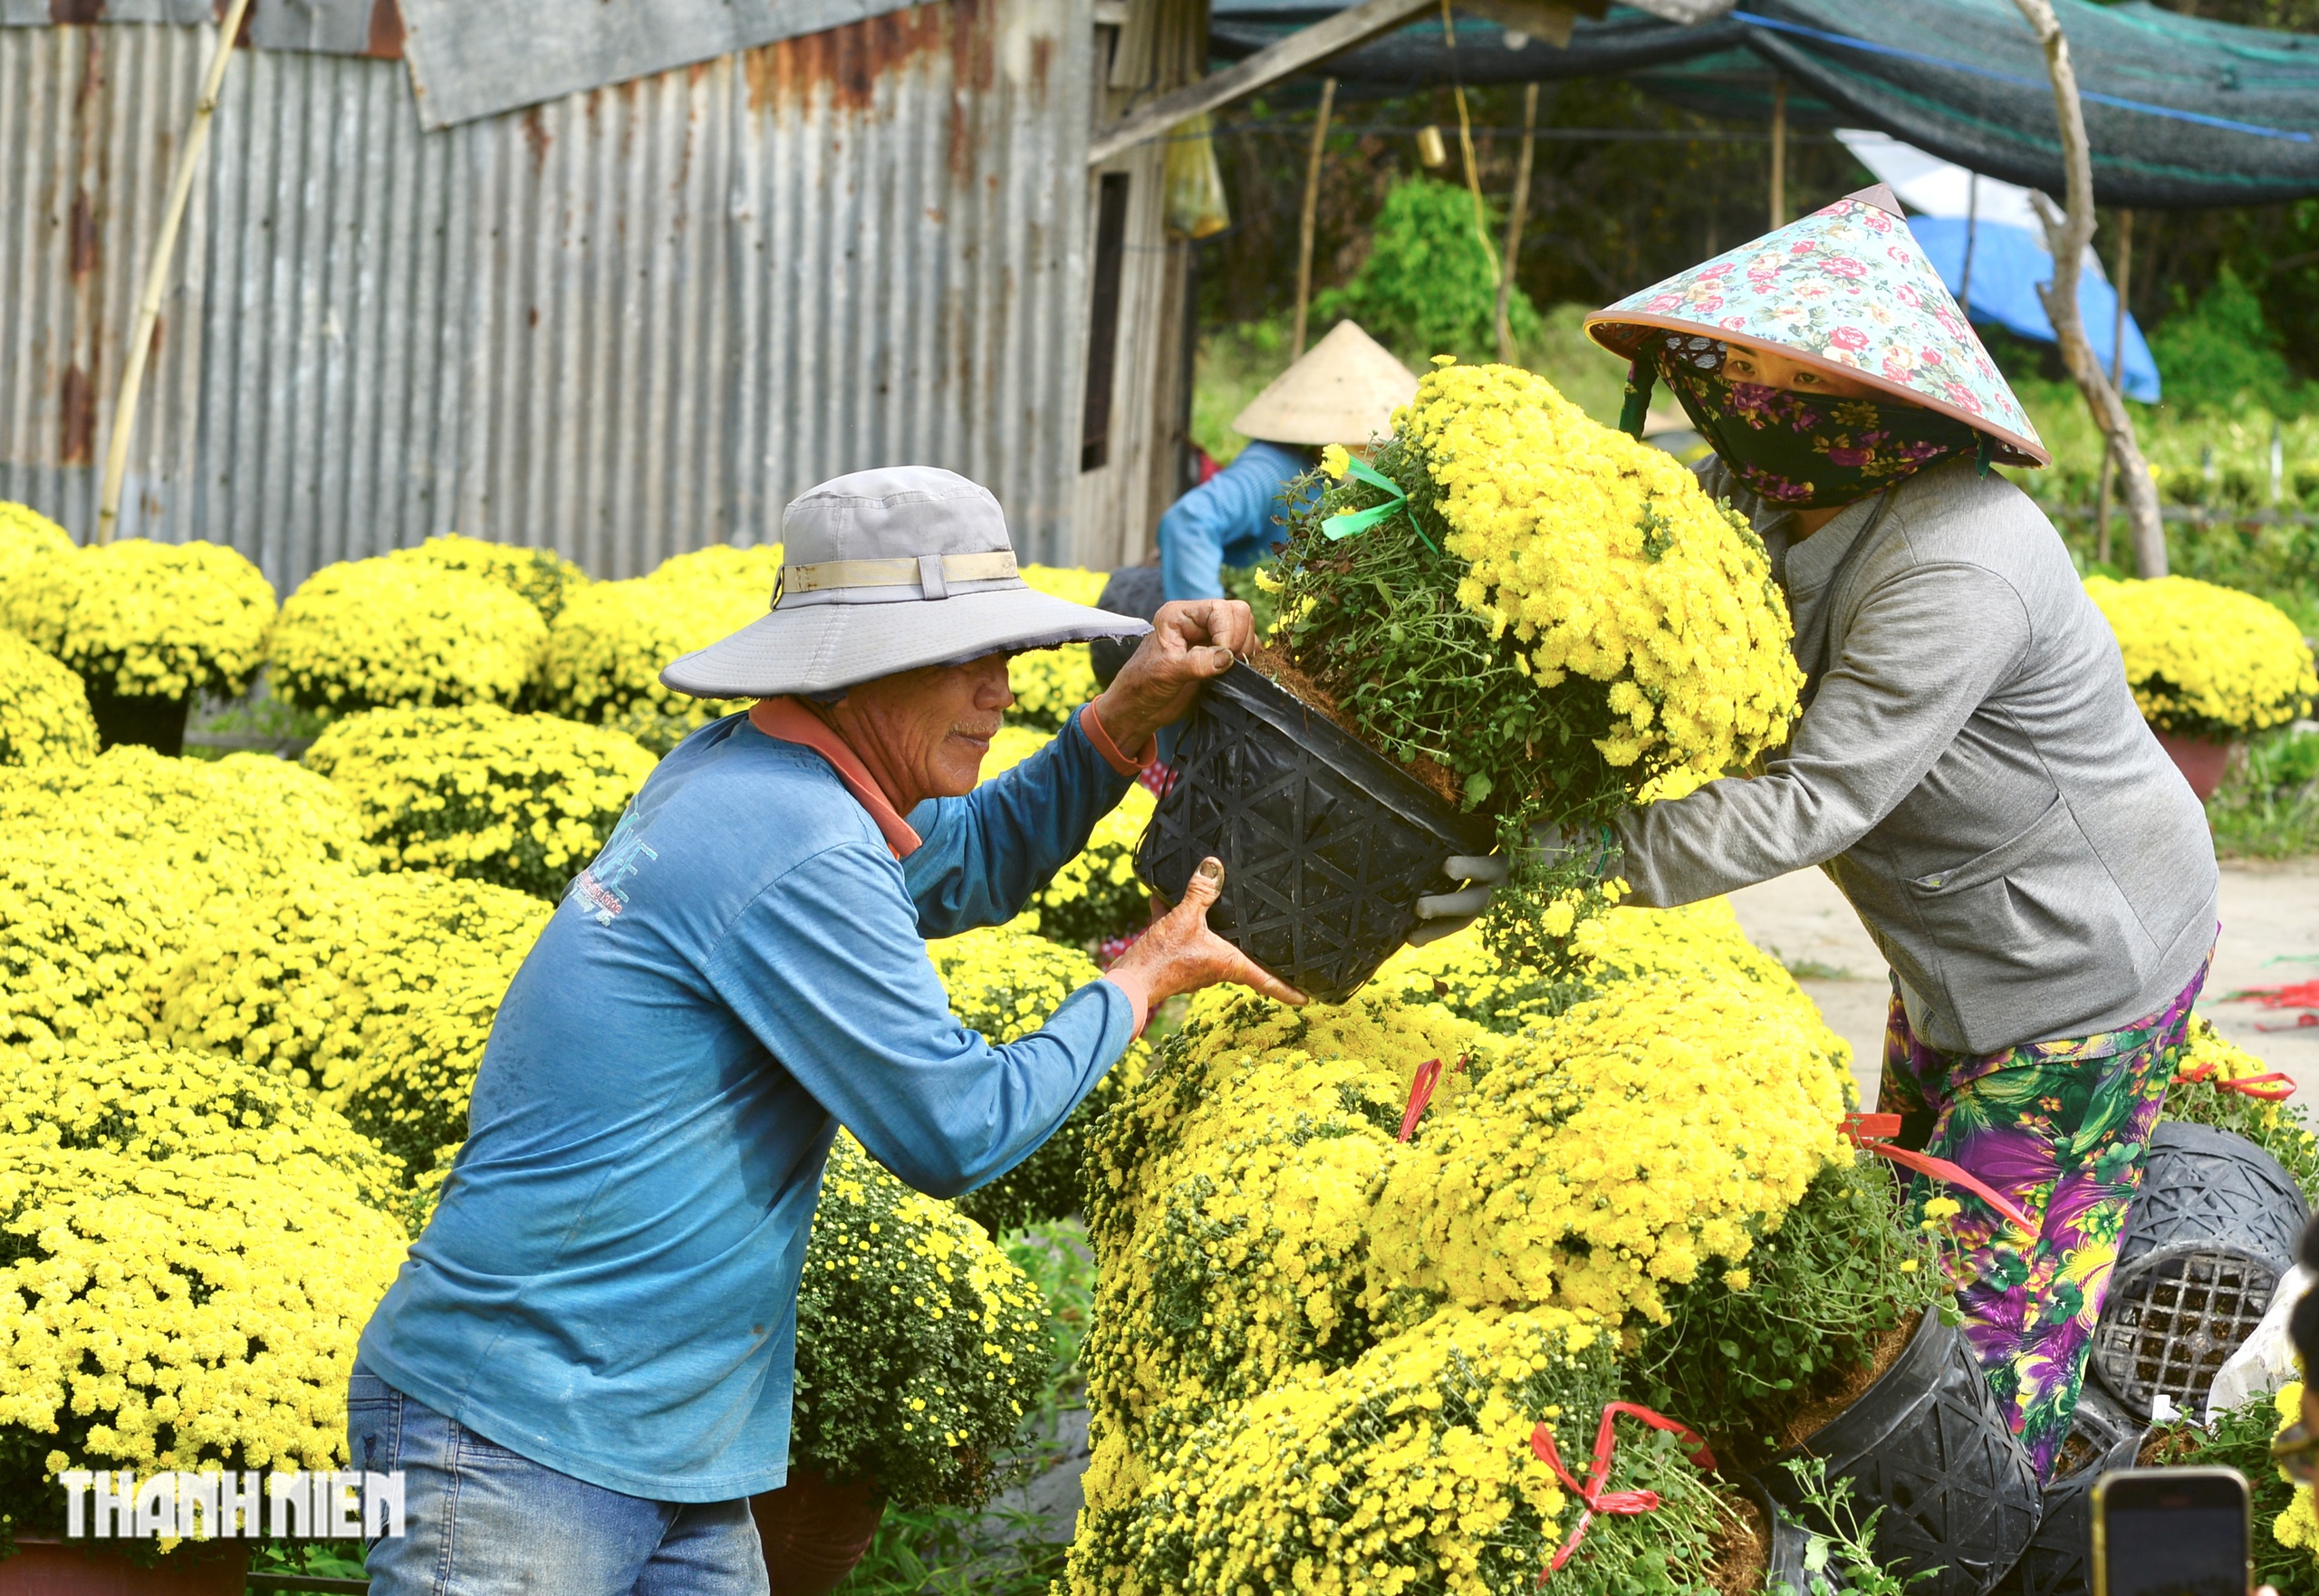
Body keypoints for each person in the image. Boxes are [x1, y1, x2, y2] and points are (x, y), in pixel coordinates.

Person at [347, 466, 1301, 1593]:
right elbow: (954, 1127)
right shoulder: (792, 839)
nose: (1000, 690)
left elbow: (977, 854)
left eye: (1010, 658)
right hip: (522, 1438)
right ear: (860, 668)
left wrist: (1124, 712)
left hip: (666, 1442)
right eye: (969, 657)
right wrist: (1136, 981)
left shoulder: (762, 772)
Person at [1464, 185, 2219, 1481]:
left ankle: (1998, 1523)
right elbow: (1637, 577)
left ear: (1884, 403)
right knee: (1912, 1250)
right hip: (1951, 945)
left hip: (2084, 961)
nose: (1750, 394)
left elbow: (1816, 799)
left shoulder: (1958, 556)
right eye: (1737, 363)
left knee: (1993, 1332)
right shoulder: (1760, 491)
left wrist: (1575, 862)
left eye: (1790, 373)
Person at [1157, 319, 1418, 603]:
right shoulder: (1274, 469)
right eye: (1368, 442)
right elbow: (1188, 523)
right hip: (1164, 612)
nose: (1376, 451)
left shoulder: (1369, 490)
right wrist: (1209, 626)